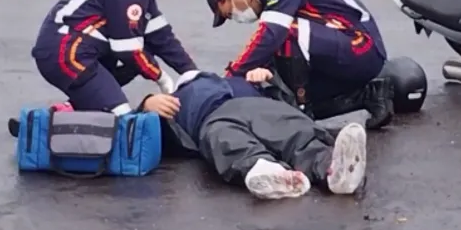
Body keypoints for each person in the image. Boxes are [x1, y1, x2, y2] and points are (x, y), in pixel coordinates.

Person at [31, 0, 198, 118]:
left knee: (143, 56)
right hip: (67, 53)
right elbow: (127, 50)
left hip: (81, 48)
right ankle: (67, 120)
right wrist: (163, 80)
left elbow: (160, 37)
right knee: (121, 119)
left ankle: (66, 114)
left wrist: (192, 73)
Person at [203, 0, 394, 129]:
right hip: (345, 50)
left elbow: (272, 34)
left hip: (361, 45)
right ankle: (369, 96)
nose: (236, 17)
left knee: (284, 35)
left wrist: (232, 75)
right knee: (285, 103)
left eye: (230, 14)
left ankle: (303, 112)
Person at [143, 70, 368, 199]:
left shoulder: (239, 79)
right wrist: (146, 104)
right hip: (213, 117)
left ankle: (332, 168)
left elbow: (290, 99)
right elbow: (143, 130)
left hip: (257, 105)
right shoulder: (175, 99)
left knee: (295, 130)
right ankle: (267, 170)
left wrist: (269, 78)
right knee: (229, 142)